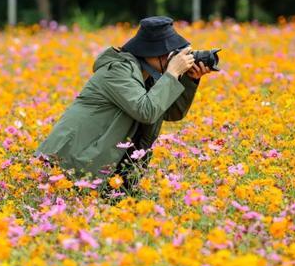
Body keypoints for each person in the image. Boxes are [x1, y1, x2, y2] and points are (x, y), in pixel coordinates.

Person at [36, 16, 213, 193]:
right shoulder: (118, 70)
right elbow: (147, 111)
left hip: (105, 165)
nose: (174, 58)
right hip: (69, 163)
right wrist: (172, 73)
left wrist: (189, 79)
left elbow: (171, 113)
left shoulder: (148, 76)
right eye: (170, 53)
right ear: (152, 53)